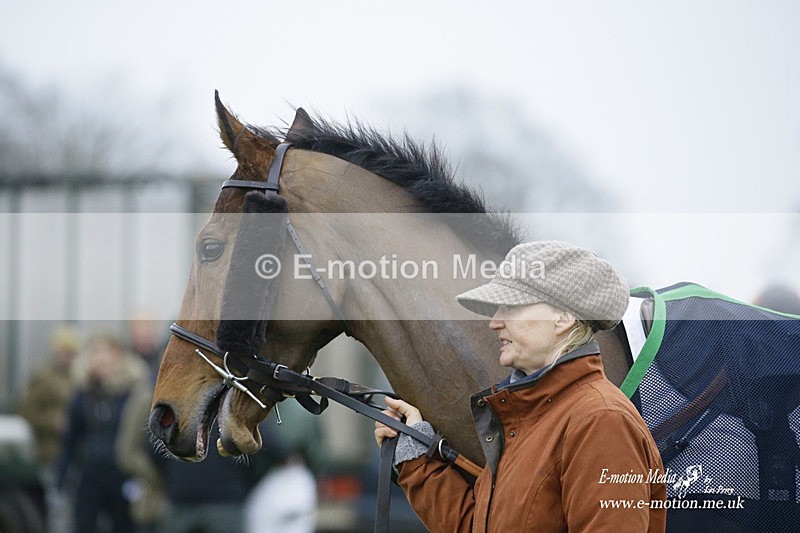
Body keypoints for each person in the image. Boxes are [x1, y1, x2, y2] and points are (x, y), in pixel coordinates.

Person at [374, 240, 666, 532]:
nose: (494, 322)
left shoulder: (601, 421)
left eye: (511, 306)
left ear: (563, 318)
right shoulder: (531, 418)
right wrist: (414, 456)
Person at [56, 334, 147, 533]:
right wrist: (60, 479)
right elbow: (70, 441)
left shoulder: (133, 394)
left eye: (109, 352)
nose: (103, 358)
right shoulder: (82, 395)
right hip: (88, 475)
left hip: (122, 475)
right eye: (96, 352)